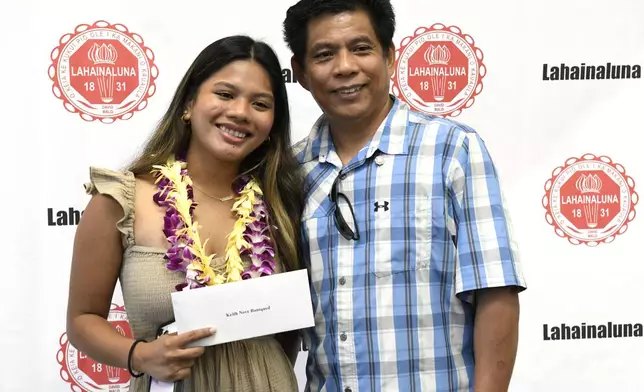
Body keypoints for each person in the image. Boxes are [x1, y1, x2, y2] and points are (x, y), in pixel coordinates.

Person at [283, 1, 527, 391]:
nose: (345, 66)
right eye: (324, 54)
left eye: (361, 48)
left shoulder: (452, 150)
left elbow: (495, 291)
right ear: (301, 73)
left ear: (390, 56)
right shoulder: (289, 172)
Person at [65, 35, 303, 392]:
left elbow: (290, 330)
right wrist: (140, 356)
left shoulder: (282, 203)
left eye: (260, 103)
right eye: (225, 94)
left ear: (272, 125)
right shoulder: (120, 200)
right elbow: (82, 321)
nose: (240, 111)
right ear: (189, 104)